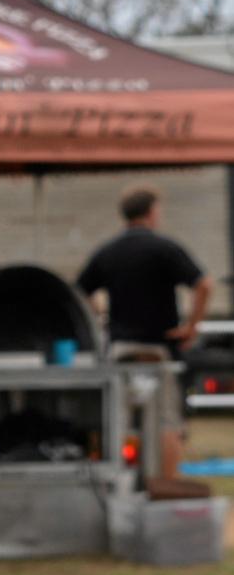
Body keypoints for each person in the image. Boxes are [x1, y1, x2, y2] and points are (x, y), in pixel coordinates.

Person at [78, 186, 212, 497]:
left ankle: (120, 488)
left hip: (121, 349)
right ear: (152, 212)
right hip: (157, 348)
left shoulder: (108, 251)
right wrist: (191, 326)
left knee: (120, 420)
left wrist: (100, 316)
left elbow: (81, 291)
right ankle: (167, 490)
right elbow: (203, 284)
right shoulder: (163, 248)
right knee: (167, 421)